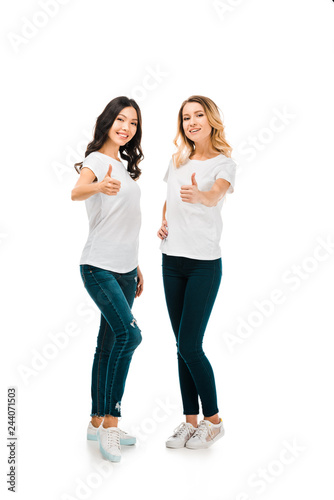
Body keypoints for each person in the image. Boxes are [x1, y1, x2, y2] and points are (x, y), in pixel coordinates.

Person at [157, 95, 237, 450]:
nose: (191, 122)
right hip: (171, 261)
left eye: (198, 115)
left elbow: (214, 196)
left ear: (211, 120)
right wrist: (164, 220)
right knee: (181, 346)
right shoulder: (177, 159)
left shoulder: (224, 163)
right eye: (186, 117)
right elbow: (170, 198)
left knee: (191, 344)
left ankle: (214, 421)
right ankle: (190, 421)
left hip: (204, 264)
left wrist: (200, 195)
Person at [71, 96, 144, 462]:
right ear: (108, 122)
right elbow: (76, 191)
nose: (125, 127)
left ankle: (96, 422)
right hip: (98, 266)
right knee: (130, 335)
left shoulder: (124, 165)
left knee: (108, 343)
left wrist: (136, 265)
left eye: (132, 123)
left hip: (126, 268)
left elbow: (125, 222)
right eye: (120, 120)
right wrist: (98, 186)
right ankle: (112, 425)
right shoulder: (98, 161)